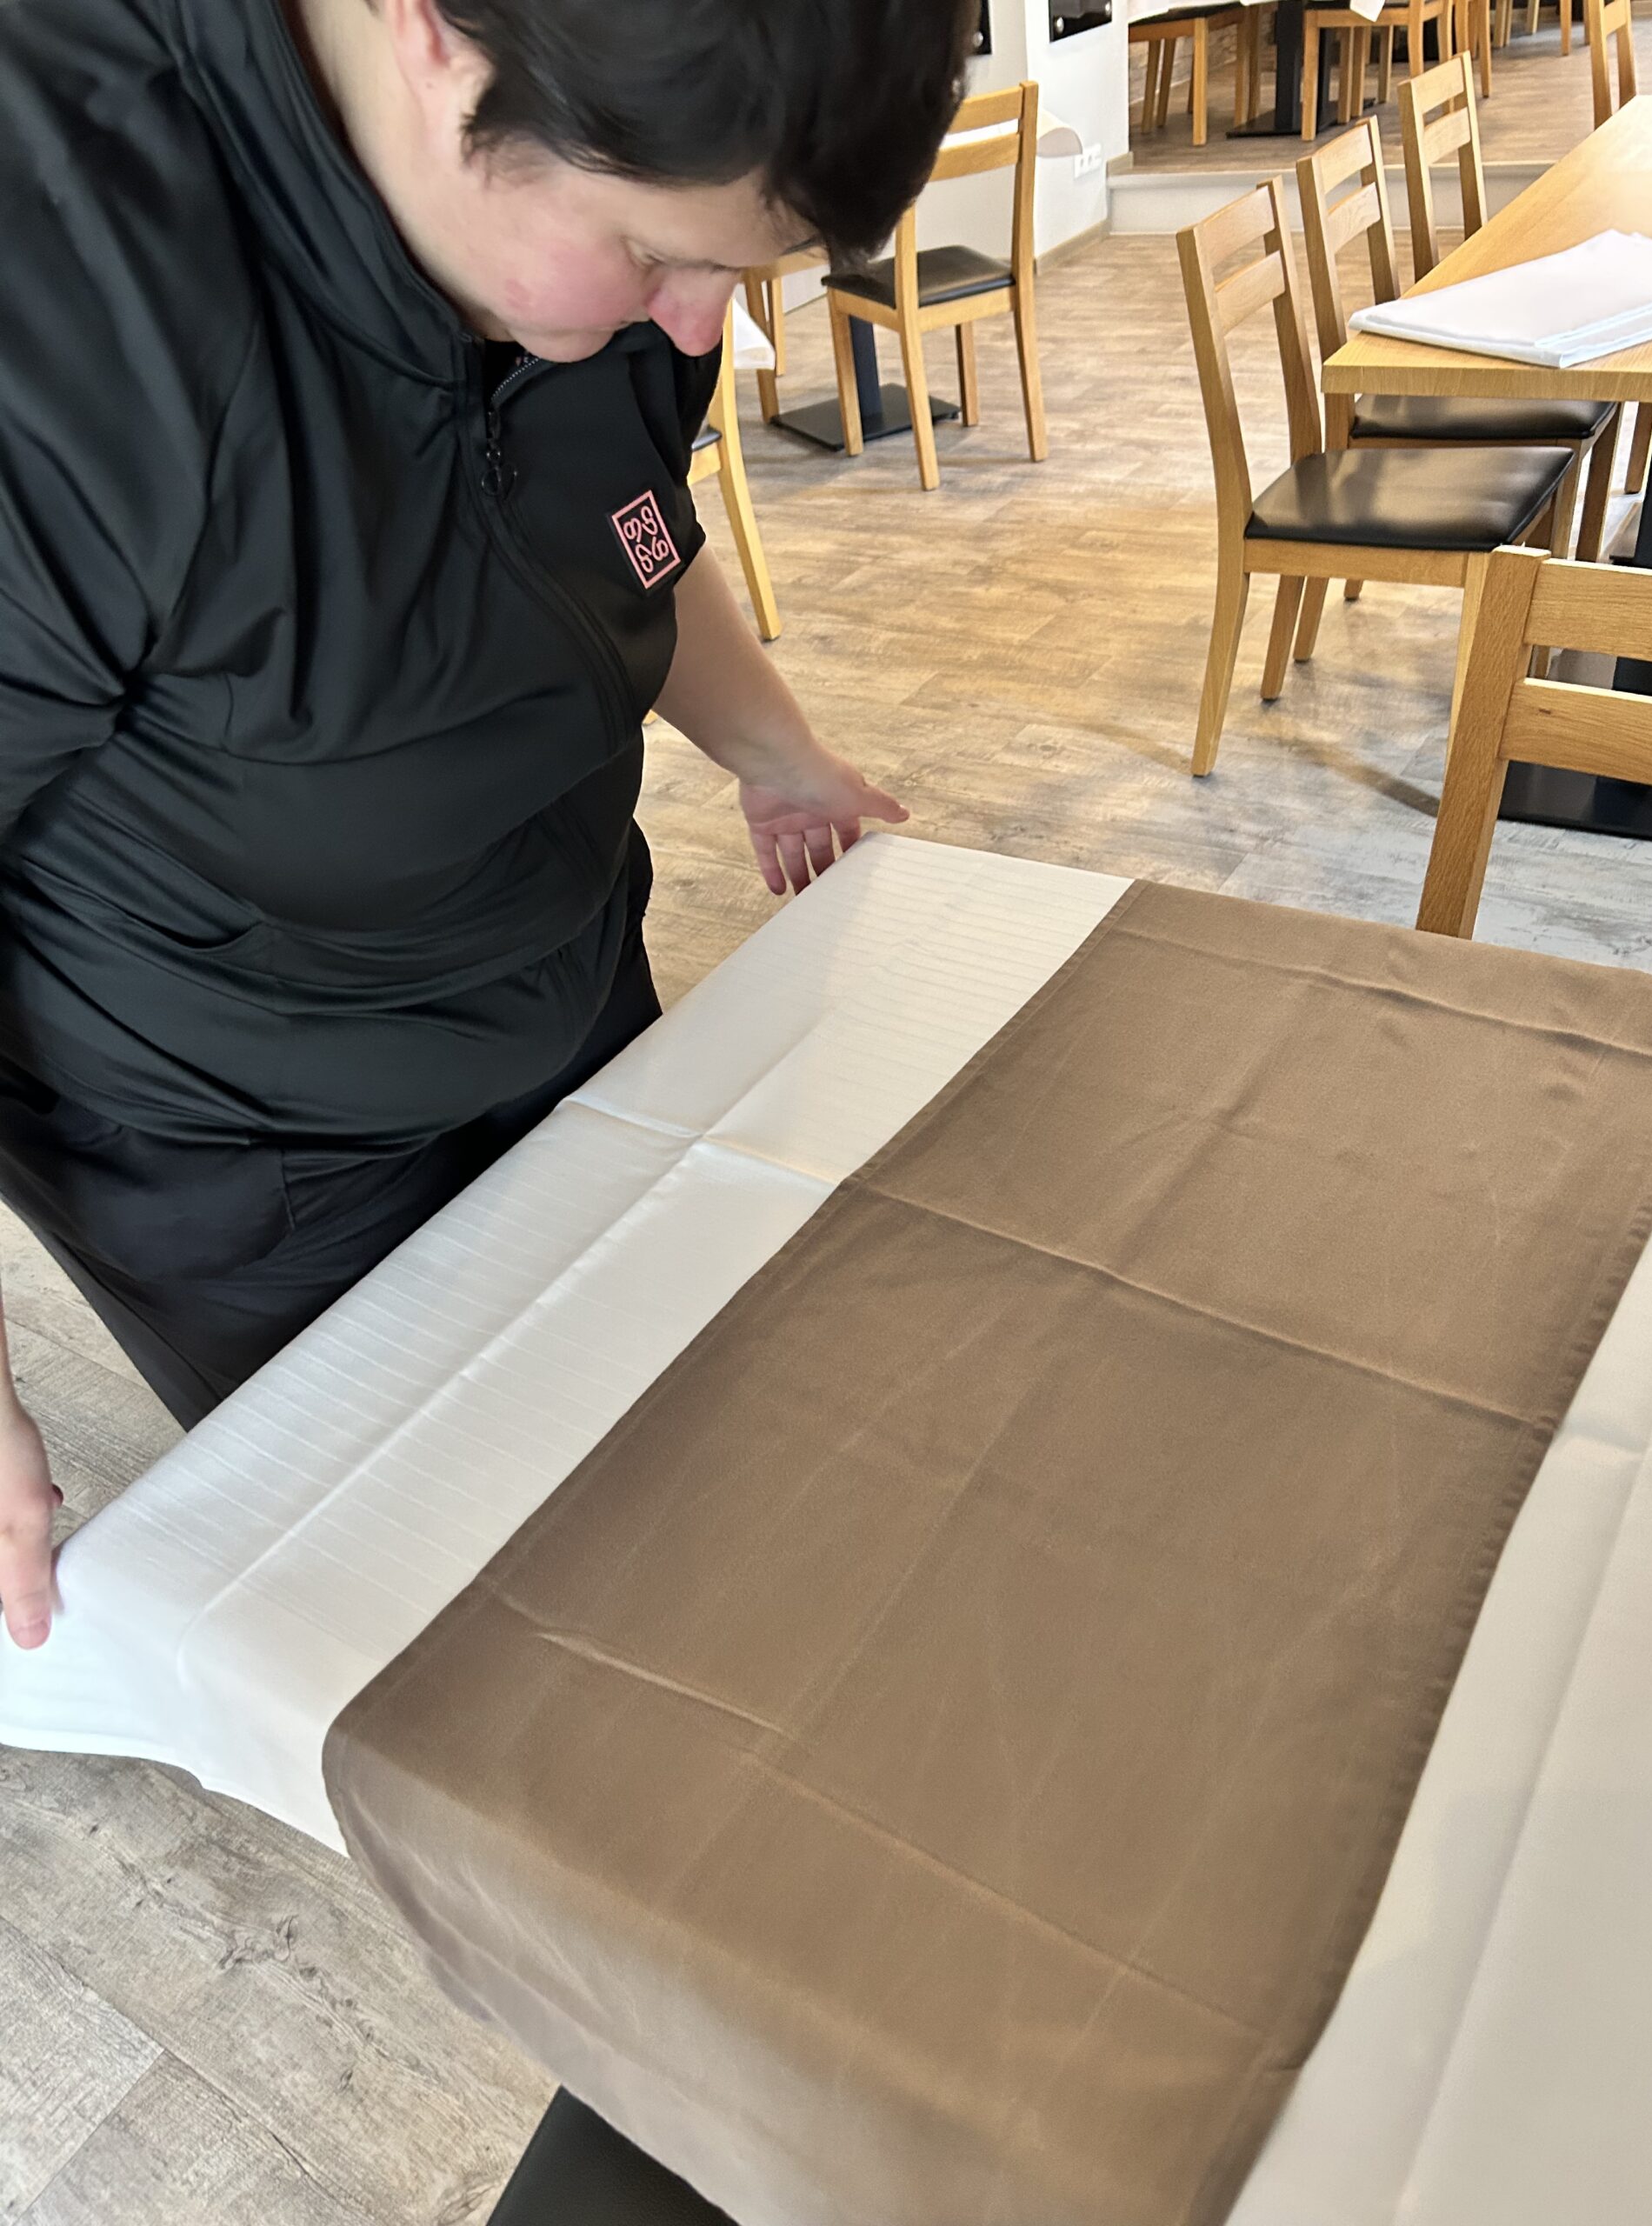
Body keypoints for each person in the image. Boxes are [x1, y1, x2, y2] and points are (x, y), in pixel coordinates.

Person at [0, 0, 977, 1649]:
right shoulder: (62, 298)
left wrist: (778, 752)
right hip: (253, 1139)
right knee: (474, 1609)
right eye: (653, 253)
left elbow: (616, 516)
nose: (696, 327)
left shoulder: (624, 240)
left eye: (743, 274)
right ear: (435, 32)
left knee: (678, 1447)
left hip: (560, 964)